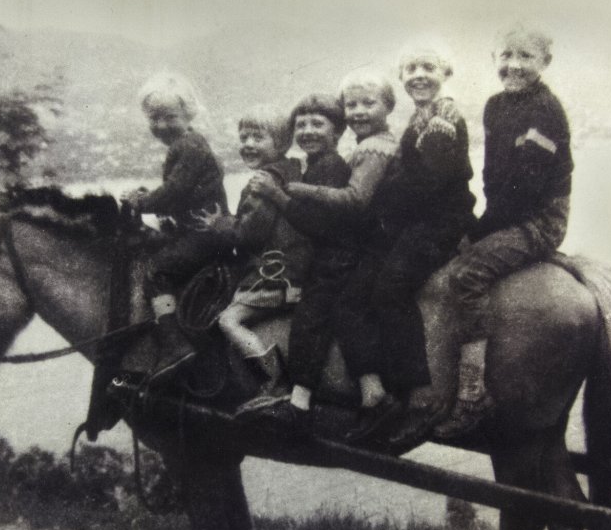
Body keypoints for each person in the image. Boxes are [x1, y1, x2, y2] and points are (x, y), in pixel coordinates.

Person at [433, 23, 573, 441]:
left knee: (466, 274)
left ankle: (473, 393)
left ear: (545, 63)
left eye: (525, 56)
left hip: (538, 220)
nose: (513, 65)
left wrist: (478, 232)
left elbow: (525, 190)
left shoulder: (545, 112)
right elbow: (496, 183)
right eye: (506, 56)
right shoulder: (495, 106)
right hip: (507, 213)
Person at [336, 38, 476, 445]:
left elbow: (425, 188)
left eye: (428, 67)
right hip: (421, 222)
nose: (419, 75)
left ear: (444, 73)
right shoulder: (420, 118)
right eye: (411, 69)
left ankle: (419, 396)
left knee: (390, 289)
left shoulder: (441, 120)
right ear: (402, 78)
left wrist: (372, 200)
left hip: (438, 225)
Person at [238, 93, 359, 436]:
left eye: (317, 124)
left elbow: (319, 224)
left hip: (337, 256)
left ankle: (299, 403)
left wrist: (277, 195)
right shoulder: (313, 166)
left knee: (310, 319)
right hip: (325, 251)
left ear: (337, 132)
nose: (307, 131)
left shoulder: (331, 166)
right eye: (301, 124)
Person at [128, 72, 230, 385]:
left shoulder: (189, 146)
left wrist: (140, 203)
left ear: (188, 114)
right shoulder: (189, 143)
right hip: (196, 229)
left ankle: (175, 344)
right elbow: (178, 196)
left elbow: (176, 191)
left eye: (169, 117)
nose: (160, 125)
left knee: (156, 272)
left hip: (206, 234)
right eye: (153, 118)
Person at [206, 104, 308, 411]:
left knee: (228, 320)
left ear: (279, 143)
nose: (248, 143)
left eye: (258, 137)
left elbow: (248, 235)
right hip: (297, 269)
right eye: (244, 136)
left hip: (276, 277)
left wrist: (219, 223)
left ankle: (273, 380)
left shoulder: (261, 183)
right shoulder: (290, 169)